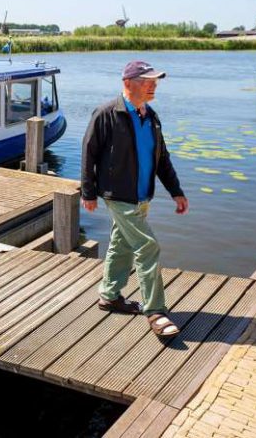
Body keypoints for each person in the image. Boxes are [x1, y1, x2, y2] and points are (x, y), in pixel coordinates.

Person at [81, 60, 189, 338]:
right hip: (117, 194)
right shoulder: (106, 113)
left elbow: (162, 158)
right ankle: (155, 309)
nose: (153, 85)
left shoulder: (150, 116)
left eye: (155, 81)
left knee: (121, 243)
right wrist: (88, 191)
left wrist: (175, 190)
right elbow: (89, 152)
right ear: (128, 83)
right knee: (147, 246)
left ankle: (109, 295)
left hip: (142, 195)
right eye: (146, 81)